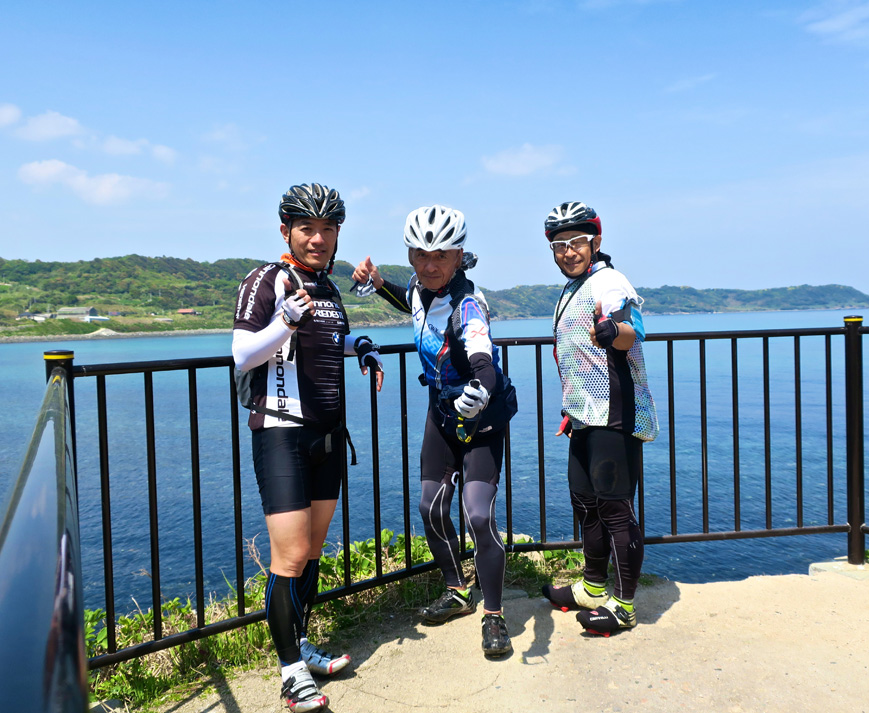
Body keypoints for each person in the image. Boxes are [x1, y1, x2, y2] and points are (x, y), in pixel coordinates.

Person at [232, 183, 384, 712]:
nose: (318, 238)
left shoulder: (328, 287)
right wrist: (284, 321)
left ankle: (300, 645)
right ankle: (291, 673)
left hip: (327, 433)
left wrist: (360, 346)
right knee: (290, 555)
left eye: (328, 229)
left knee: (313, 552)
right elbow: (242, 354)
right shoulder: (267, 280)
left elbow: (325, 341)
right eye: (307, 228)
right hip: (281, 432)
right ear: (286, 231)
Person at [351, 205, 518, 657]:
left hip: (481, 417)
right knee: (431, 506)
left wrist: (480, 390)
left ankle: (494, 615)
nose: (429, 265)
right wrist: (378, 282)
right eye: (421, 255)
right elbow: (409, 300)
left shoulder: (468, 305)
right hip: (441, 413)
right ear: (410, 255)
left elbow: (483, 360)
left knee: (478, 515)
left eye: (440, 255)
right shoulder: (418, 287)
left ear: (459, 256)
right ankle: (457, 590)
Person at [539, 200, 659, 637]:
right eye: (559, 245)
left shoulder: (609, 281)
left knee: (615, 508)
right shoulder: (573, 287)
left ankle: (624, 606)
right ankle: (592, 588)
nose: (568, 251)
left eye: (577, 242)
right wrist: (572, 409)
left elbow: (631, 330)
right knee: (585, 502)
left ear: (596, 242)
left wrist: (613, 331)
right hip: (583, 415)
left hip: (614, 413)